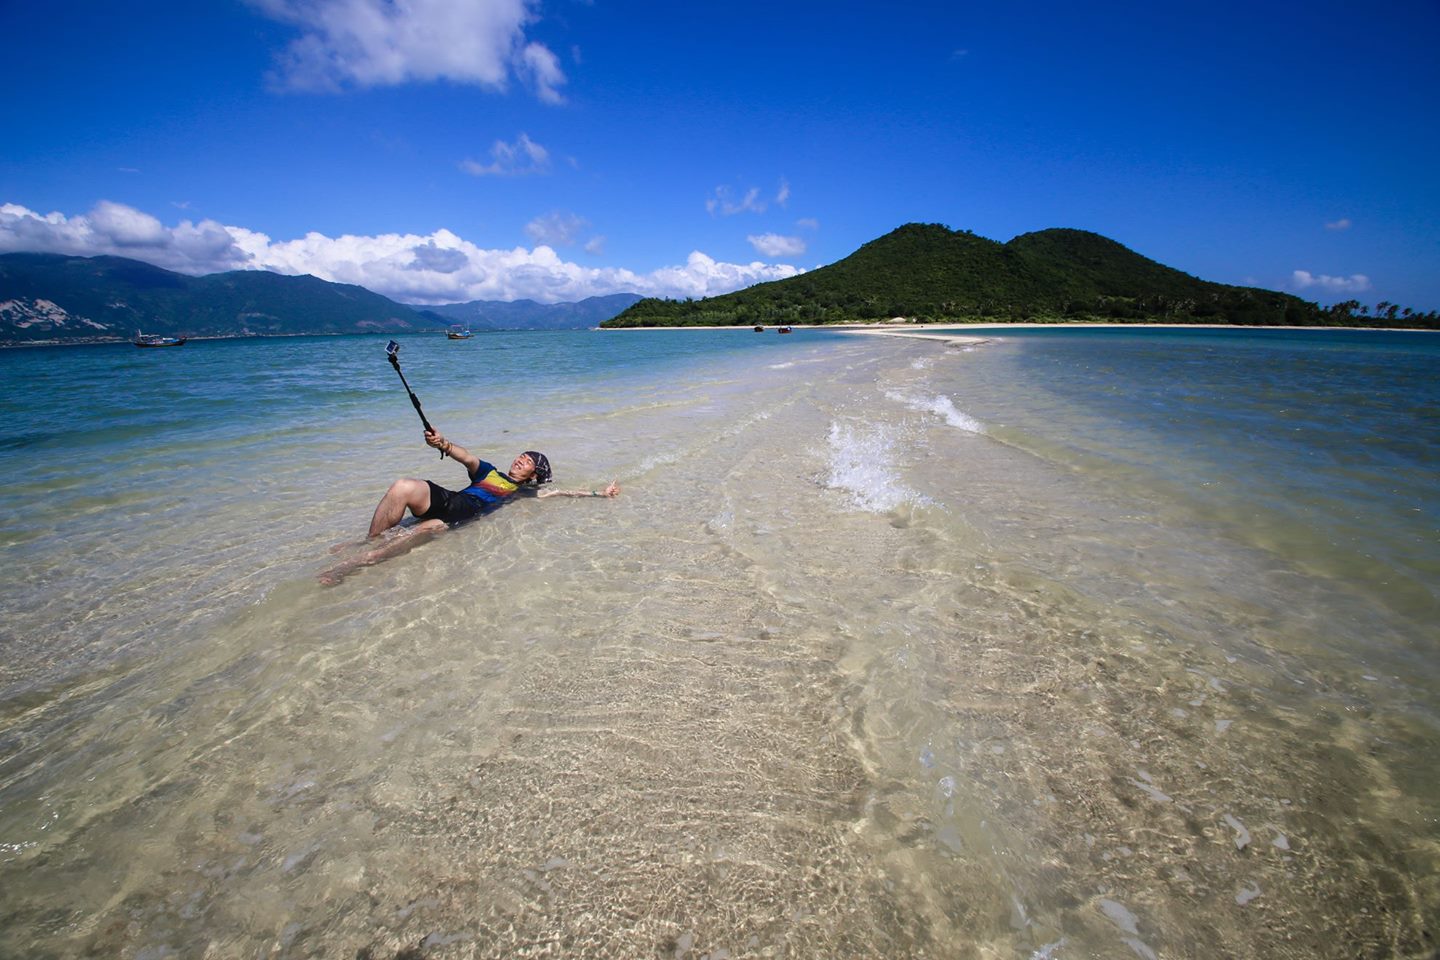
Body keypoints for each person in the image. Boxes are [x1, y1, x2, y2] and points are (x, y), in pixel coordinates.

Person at [320, 426, 619, 583]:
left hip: (457, 518)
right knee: (402, 487)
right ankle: (365, 542)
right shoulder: (488, 471)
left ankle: (352, 565)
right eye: (520, 455)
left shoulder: (522, 493)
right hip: (452, 501)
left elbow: (564, 493)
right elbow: (465, 456)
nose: (519, 460)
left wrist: (600, 494)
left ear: (533, 475)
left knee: (416, 533)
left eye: (526, 461)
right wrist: (442, 444)